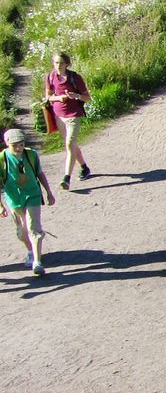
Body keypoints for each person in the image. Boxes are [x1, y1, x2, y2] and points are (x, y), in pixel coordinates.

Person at [1, 128, 55, 277]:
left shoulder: (31, 155)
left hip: (32, 194)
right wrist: (1, 206)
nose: (19, 148)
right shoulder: (2, 159)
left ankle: (37, 262)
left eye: (21, 144)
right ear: (7, 144)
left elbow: (39, 173)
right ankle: (31, 250)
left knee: (34, 228)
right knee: (22, 231)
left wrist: (49, 193)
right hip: (14, 199)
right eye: (15, 145)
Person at [44, 52, 91, 191]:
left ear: (67, 64)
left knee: (69, 144)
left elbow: (87, 98)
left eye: (61, 63)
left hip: (73, 115)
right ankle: (84, 167)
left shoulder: (75, 78)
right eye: (56, 63)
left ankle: (66, 178)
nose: (58, 66)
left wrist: (75, 96)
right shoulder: (50, 76)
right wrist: (58, 98)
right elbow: (47, 97)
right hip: (58, 116)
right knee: (71, 145)